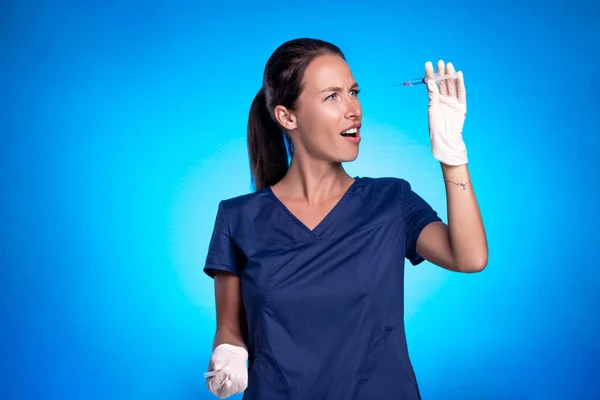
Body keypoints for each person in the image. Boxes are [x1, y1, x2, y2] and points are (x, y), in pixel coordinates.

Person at [202, 38, 488, 399]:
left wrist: (452, 154)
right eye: (332, 96)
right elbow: (229, 328)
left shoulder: (390, 201)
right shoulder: (238, 217)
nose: (354, 109)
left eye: (353, 92)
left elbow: (470, 257)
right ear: (287, 116)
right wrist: (228, 353)